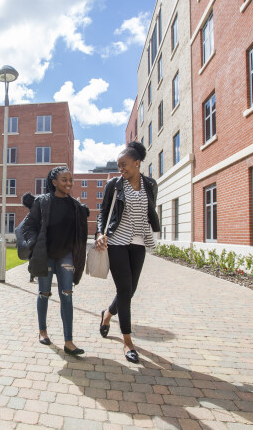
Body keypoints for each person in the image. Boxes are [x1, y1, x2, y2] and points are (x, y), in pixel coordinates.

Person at [94, 141, 160, 364]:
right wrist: (100, 233)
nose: (120, 168)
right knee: (124, 289)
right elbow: (103, 212)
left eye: (124, 164)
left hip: (139, 242)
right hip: (117, 243)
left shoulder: (151, 184)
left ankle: (107, 314)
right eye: (119, 165)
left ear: (137, 163)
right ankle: (128, 341)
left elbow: (149, 210)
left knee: (130, 291)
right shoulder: (114, 184)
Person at [21, 166, 89, 356]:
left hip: (65, 255)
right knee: (44, 293)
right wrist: (34, 244)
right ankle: (43, 331)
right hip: (45, 254)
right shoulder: (42, 202)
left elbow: (79, 233)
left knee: (67, 294)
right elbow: (28, 226)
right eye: (64, 180)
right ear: (54, 182)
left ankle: (69, 341)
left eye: (70, 180)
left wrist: (84, 216)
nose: (69, 183)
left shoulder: (75, 205)